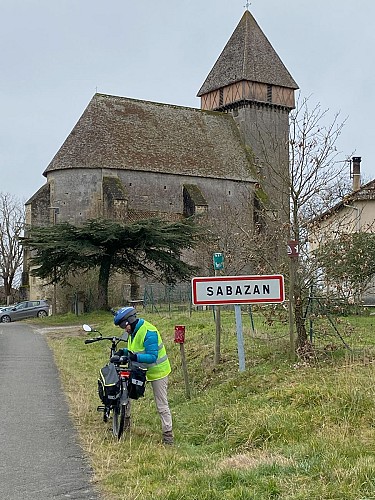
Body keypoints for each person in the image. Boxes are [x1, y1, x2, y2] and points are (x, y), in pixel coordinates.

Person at [113, 306, 174, 445]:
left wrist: (133, 356)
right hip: (139, 369)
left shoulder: (149, 332)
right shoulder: (133, 332)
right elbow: (133, 349)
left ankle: (168, 435)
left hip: (158, 372)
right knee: (125, 393)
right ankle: (125, 423)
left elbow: (152, 356)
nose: (124, 328)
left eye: (123, 325)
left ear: (131, 320)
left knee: (161, 404)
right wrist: (123, 352)